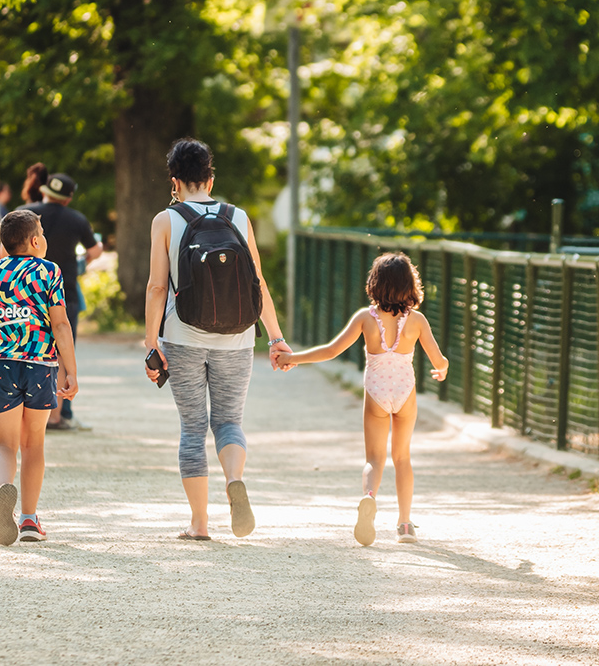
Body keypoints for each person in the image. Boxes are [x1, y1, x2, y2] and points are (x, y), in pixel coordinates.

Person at [143, 138, 291, 540]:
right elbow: (257, 282)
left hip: (183, 336)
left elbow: (158, 288)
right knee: (228, 421)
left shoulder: (166, 220)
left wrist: (151, 341)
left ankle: (200, 524)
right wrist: (276, 337)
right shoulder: (237, 216)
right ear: (210, 178)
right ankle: (234, 481)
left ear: (175, 182)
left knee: (193, 429)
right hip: (238, 338)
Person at [279, 252, 449, 546]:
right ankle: (405, 524)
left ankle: (369, 497)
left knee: (374, 458)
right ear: (411, 284)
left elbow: (331, 350)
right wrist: (442, 369)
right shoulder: (418, 321)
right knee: (402, 457)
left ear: (375, 283)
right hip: (405, 391)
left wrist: (293, 358)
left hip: (376, 392)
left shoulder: (365, 318)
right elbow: (439, 359)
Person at [0, 209, 80, 545]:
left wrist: (2, 345)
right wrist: (71, 370)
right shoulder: (49, 271)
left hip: (2, 363)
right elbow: (61, 324)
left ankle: (4, 490)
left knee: (3, 444)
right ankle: (29, 519)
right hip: (40, 365)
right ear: (36, 240)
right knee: (33, 443)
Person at [21, 171, 102, 431]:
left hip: (27, 294)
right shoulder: (76, 219)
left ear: (45, 191)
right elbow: (95, 250)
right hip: (63, 292)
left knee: (28, 349)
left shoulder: (25, 213)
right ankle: (61, 413)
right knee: (63, 352)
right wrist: (82, 263)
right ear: (67, 199)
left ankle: (29, 410)